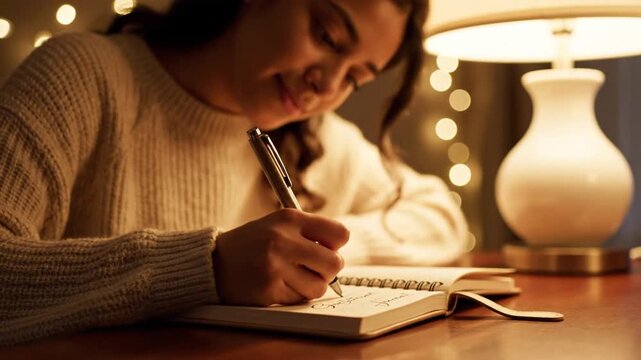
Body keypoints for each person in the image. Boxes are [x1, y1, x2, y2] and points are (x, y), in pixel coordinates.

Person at [0, 0, 467, 346]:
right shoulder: (82, 77)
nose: (325, 85)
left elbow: (440, 217)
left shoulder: (313, 135)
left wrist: (313, 250)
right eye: (325, 36)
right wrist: (208, 264)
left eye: (355, 78)